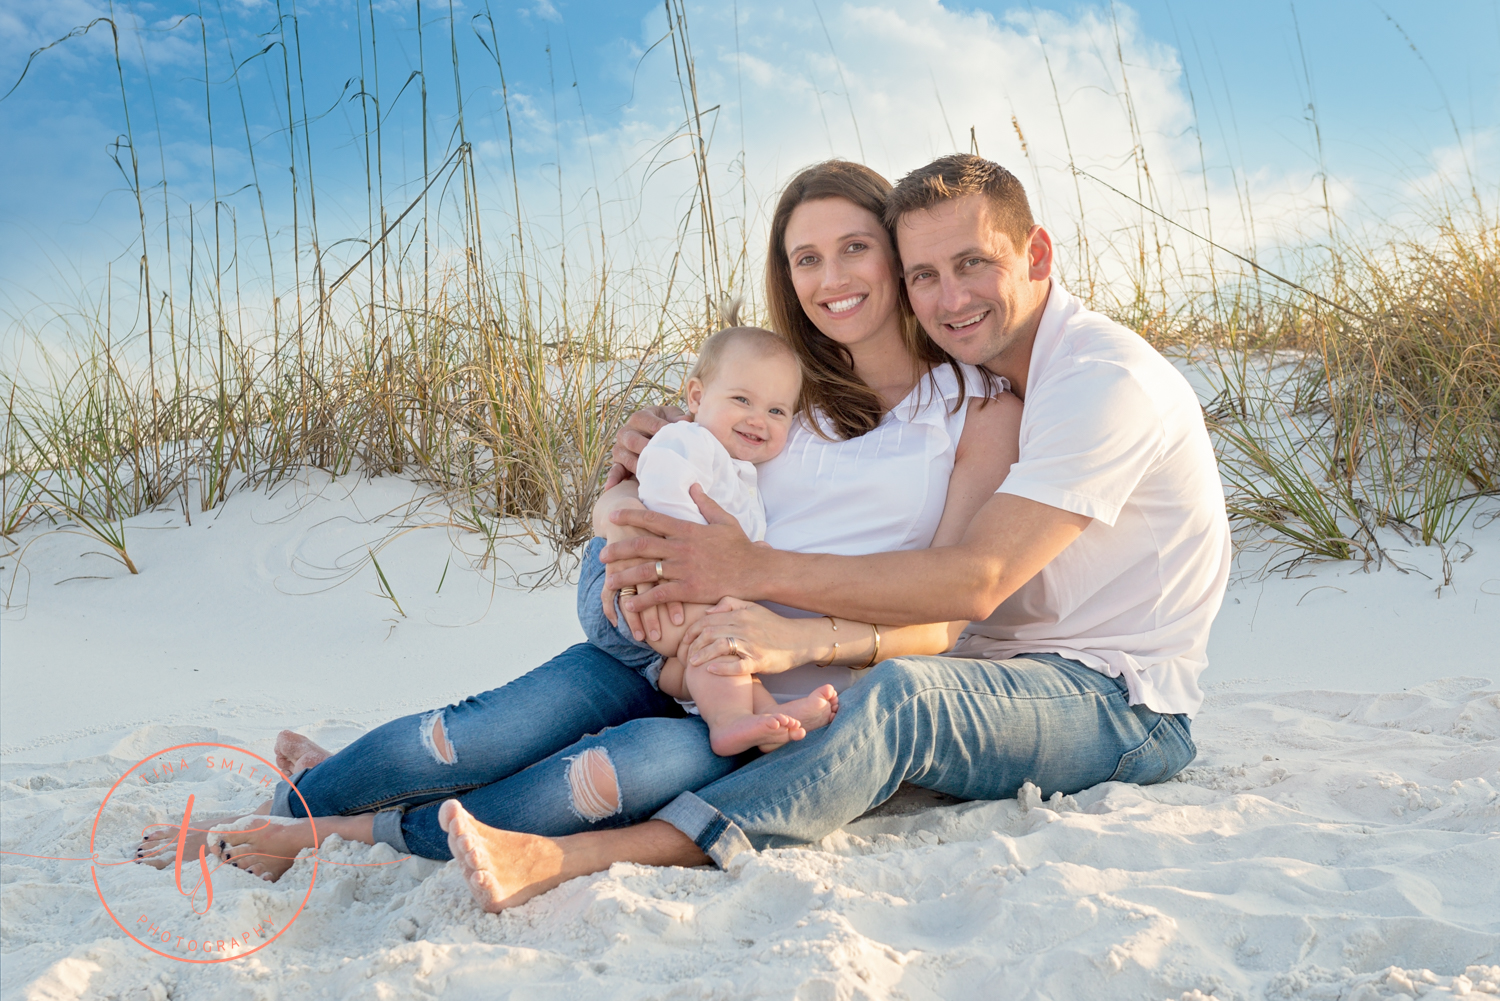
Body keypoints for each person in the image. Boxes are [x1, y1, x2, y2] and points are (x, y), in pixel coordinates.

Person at [134, 159, 1023, 882]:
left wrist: (781, 637)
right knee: (480, 733)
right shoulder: (779, 390)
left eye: (855, 247)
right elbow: (649, 488)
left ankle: (359, 828)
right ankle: (281, 813)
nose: (831, 278)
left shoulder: (972, 408)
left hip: (758, 688)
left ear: (896, 256)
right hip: (661, 627)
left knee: (617, 776)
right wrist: (618, 498)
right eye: (805, 258)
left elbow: (946, 604)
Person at [430, 154, 1232, 915]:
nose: (950, 298)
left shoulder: (1101, 378)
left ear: (1037, 253)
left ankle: (584, 857)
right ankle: (387, 811)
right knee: (603, 693)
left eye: (973, 264)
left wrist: (761, 582)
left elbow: (974, 580)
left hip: (1116, 697)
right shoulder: (992, 382)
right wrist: (671, 439)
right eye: (925, 274)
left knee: (903, 698)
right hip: (983, 664)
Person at [598, 321, 837, 756]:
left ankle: (760, 716)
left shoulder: (739, 469)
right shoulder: (690, 440)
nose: (757, 419)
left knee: (725, 644)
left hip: (659, 594)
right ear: (696, 397)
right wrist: (715, 556)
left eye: (776, 411)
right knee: (719, 635)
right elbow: (664, 486)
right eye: (742, 399)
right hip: (640, 584)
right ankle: (728, 723)